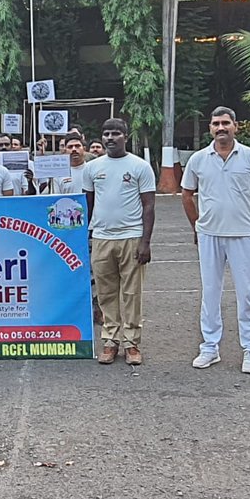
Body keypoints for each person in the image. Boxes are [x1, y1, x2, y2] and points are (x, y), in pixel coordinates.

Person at [180, 107, 250, 374]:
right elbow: (187, 195)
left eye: (225, 123)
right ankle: (210, 347)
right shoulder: (199, 159)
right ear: (209, 128)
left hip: (243, 234)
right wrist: (197, 226)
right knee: (210, 292)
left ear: (236, 126)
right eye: (215, 124)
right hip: (209, 234)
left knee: (248, 294)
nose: (220, 127)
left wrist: (248, 212)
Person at [84, 117, 155, 366]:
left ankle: (132, 343)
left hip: (131, 237)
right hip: (102, 238)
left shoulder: (139, 166)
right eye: (106, 134)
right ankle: (111, 341)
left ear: (125, 136)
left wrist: (145, 242)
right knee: (105, 293)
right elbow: (88, 205)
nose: (110, 138)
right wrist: (86, 234)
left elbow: (148, 205)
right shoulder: (92, 167)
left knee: (132, 293)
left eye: (115, 133)